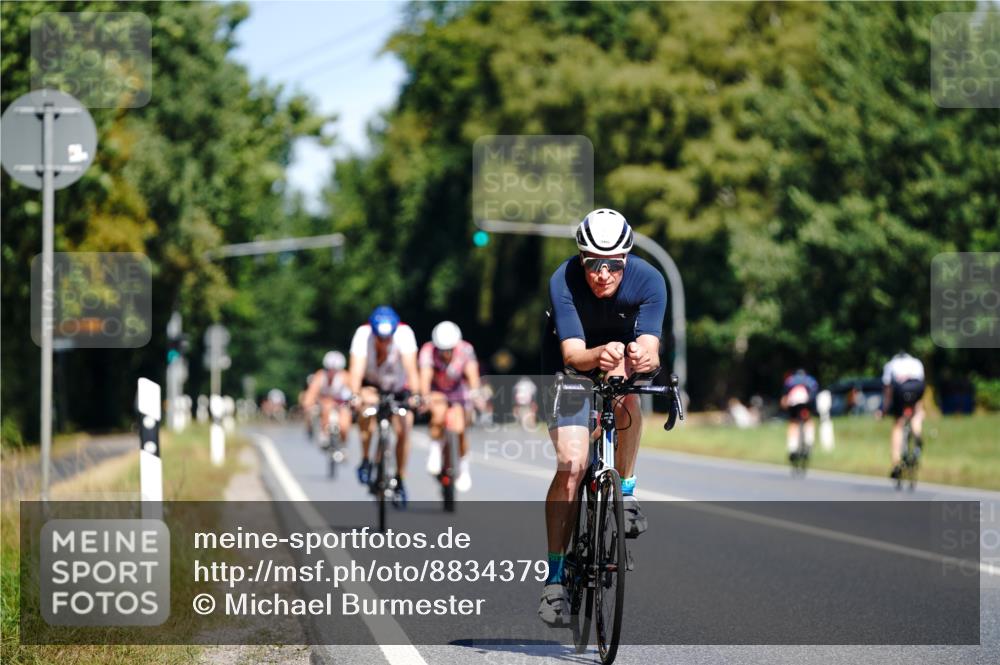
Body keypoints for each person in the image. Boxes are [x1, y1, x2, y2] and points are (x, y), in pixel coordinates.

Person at [537, 208, 667, 625]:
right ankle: (555, 581)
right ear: (581, 258)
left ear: (626, 260)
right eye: (594, 262)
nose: (603, 274)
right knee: (572, 465)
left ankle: (625, 492)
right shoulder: (565, 280)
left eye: (613, 264)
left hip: (617, 369)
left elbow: (650, 347)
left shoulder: (650, 280)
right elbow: (574, 355)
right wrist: (601, 353)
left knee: (628, 398)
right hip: (569, 371)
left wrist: (642, 357)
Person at [348, 306, 420, 506]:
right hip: (372, 385)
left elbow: (412, 369)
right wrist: (355, 395)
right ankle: (365, 460)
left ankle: (400, 479)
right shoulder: (363, 335)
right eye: (381, 338)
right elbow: (356, 370)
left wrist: (415, 395)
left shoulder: (404, 334)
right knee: (366, 409)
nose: (384, 342)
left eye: (388, 338)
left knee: (405, 425)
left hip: (397, 387)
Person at [418, 320, 482, 492]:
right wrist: (424, 397)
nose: (446, 354)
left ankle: (464, 468)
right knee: (438, 414)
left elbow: (472, 373)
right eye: (442, 350)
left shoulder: (465, 350)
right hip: (437, 391)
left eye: (449, 350)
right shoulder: (427, 351)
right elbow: (425, 376)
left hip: (459, 392)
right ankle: (435, 451)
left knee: (460, 428)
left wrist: (476, 393)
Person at [878, 351, 926, 480]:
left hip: (900, 389)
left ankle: (896, 463)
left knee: (898, 425)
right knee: (916, 415)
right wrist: (920, 409)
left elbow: (888, 391)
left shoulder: (891, 364)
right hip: (917, 387)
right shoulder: (917, 363)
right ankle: (917, 434)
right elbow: (922, 387)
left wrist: (883, 409)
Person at [301, 351, 352, 447]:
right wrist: (307, 404)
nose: (332, 372)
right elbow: (311, 392)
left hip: (342, 403)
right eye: (329, 369)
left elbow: (353, 392)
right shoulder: (320, 376)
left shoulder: (345, 377)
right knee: (325, 408)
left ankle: (343, 444)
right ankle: (324, 433)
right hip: (325, 403)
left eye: (335, 370)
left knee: (344, 425)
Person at [780, 369, 819, 462]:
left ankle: (792, 447)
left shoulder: (790, 380)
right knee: (808, 420)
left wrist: (784, 406)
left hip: (793, 402)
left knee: (793, 423)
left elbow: (784, 397)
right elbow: (814, 393)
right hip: (806, 401)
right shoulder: (810, 380)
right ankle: (809, 442)